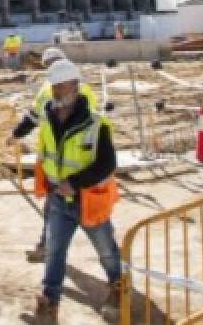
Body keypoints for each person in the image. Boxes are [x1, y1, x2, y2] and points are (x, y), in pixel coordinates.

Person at [31, 59, 121, 324]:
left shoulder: (95, 124)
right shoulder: (47, 119)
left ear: (75, 86)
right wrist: (49, 181)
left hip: (89, 199)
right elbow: (46, 154)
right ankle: (49, 303)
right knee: (55, 252)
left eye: (63, 85)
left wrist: (77, 182)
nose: (59, 92)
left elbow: (107, 163)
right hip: (59, 200)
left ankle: (117, 287)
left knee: (106, 250)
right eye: (55, 87)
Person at [11, 55, 100, 264]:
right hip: (78, 163)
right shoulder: (85, 88)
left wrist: (16, 135)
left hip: (63, 162)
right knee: (82, 216)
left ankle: (47, 248)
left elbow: (32, 118)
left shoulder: (48, 90)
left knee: (74, 217)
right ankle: (49, 250)